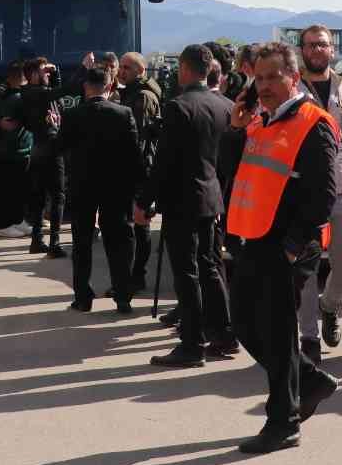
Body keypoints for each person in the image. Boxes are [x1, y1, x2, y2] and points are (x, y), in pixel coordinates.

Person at [219, 41, 340, 454]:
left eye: (273, 77)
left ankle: (283, 421)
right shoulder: (260, 121)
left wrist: (291, 246)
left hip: (287, 245)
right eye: (259, 77)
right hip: (254, 237)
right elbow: (231, 171)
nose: (265, 85)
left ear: (294, 78)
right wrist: (236, 129)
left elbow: (323, 195)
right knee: (244, 325)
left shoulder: (313, 123)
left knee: (275, 331)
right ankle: (307, 380)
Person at [140, 44, 237, 366]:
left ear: (184, 68)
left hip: (183, 199)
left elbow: (164, 161)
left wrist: (144, 200)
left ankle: (192, 344)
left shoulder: (178, 106)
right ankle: (224, 334)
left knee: (187, 272)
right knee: (210, 266)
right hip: (213, 197)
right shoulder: (226, 105)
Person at [291, 28, 342, 363]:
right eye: (310, 45)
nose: (316, 49)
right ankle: (308, 336)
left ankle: (331, 306)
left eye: (322, 44)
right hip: (303, 191)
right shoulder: (292, 89)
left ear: (332, 49)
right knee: (306, 266)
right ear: (301, 50)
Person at [56, 68, 140, 313]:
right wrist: (140, 191)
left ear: (85, 86)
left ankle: (83, 297)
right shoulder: (124, 113)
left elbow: (60, 148)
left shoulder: (72, 115)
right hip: (116, 187)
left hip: (82, 186)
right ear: (110, 85)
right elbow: (134, 155)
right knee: (119, 242)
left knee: (82, 242)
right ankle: (123, 296)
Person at [19, 54, 80, 258]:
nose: (48, 74)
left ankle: (38, 240)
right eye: (44, 71)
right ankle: (53, 242)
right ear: (34, 74)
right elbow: (65, 91)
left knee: (41, 196)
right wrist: (82, 69)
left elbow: (58, 96)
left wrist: (55, 73)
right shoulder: (33, 93)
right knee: (57, 195)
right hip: (49, 147)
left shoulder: (41, 93)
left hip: (42, 147)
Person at [116, 51, 162, 290]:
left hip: (139, 169)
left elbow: (138, 140)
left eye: (127, 68)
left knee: (138, 225)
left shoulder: (142, 97)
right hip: (136, 167)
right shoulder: (130, 93)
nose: (121, 71)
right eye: (121, 67)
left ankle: (136, 275)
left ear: (141, 71)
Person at [0, 61, 33, 238]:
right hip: (9, 149)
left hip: (23, 148)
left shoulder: (20, 93)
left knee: (20, 189)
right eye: (25, 76)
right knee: (8, 189)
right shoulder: (4, 93)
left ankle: (18, 220)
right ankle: (4, 224)